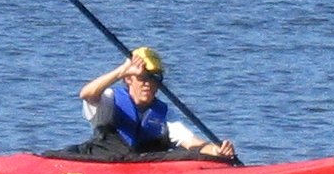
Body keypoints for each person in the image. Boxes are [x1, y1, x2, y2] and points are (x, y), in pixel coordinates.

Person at [43, 47, 236, 163]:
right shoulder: (110, 99)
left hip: (141, 167)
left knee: (188, 154)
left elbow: (192, 143)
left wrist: (216, 151)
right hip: (103, 162)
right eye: (142, 77)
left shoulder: (164, 114)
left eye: (154, 78)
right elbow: (87, 94)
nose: (148, 83)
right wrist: (121, 71)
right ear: (129, 79)